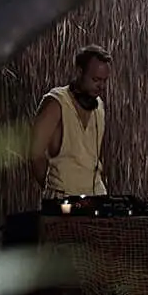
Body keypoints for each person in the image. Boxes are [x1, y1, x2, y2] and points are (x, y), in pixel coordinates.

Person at [30, 45, 112, 199]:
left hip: (96, 197)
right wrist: (54, 190)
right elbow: (35, 153)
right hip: (63, 198)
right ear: (80, 72)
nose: (101, 86)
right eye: (95, 79)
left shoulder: (99, 106)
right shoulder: (56, 103)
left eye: (104, 81)